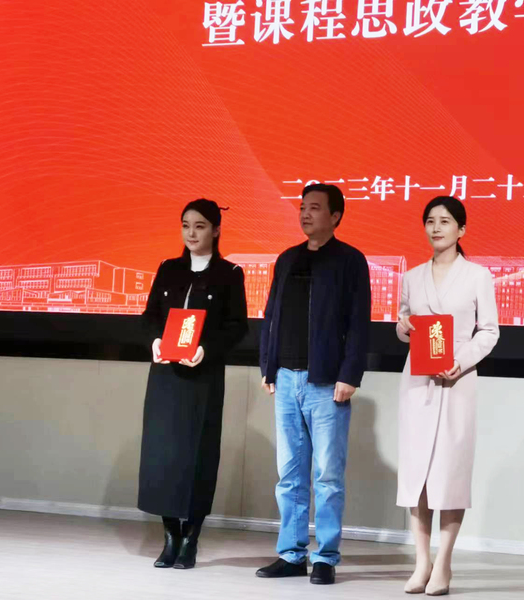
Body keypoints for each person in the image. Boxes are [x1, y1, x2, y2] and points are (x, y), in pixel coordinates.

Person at [256, 183, 371, 585]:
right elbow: (271, 315)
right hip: (286, 379)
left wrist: (350, 374)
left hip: (327, 382)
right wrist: (267, 366)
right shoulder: (287, 259)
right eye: (302, 207)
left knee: (327, 476)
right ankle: (291, 554)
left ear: (336, 216)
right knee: (289, 474)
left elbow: (359, 322)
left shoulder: (350, 260)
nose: (305, 214)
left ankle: (325, 556)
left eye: (315, 208)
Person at [395, 196, 500, 596]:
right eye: (430, 221)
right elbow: (403, 323)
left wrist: (462, 360)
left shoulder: (477, 276)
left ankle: (444, 563)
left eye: (444, 221)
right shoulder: (412, 276)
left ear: (461, 229)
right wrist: (404, 325)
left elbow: (488, 330)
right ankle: (421, 562)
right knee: (418, 472)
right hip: (418, 379)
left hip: (457, 379)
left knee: (450, 472)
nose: (436, 227)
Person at [137, 199, 248, 569]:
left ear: (216, 230)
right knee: (163, 455)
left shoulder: (230, 273)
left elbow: (237, 327)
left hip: (203, 376)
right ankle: (170, 536)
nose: (191, 233)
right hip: (166, 376)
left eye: (200, 226)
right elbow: (150, 316)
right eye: (186, 225)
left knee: (199, 455)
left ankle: (191, 539)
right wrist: (155, 340)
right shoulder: (168, 269)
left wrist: (205, 350)